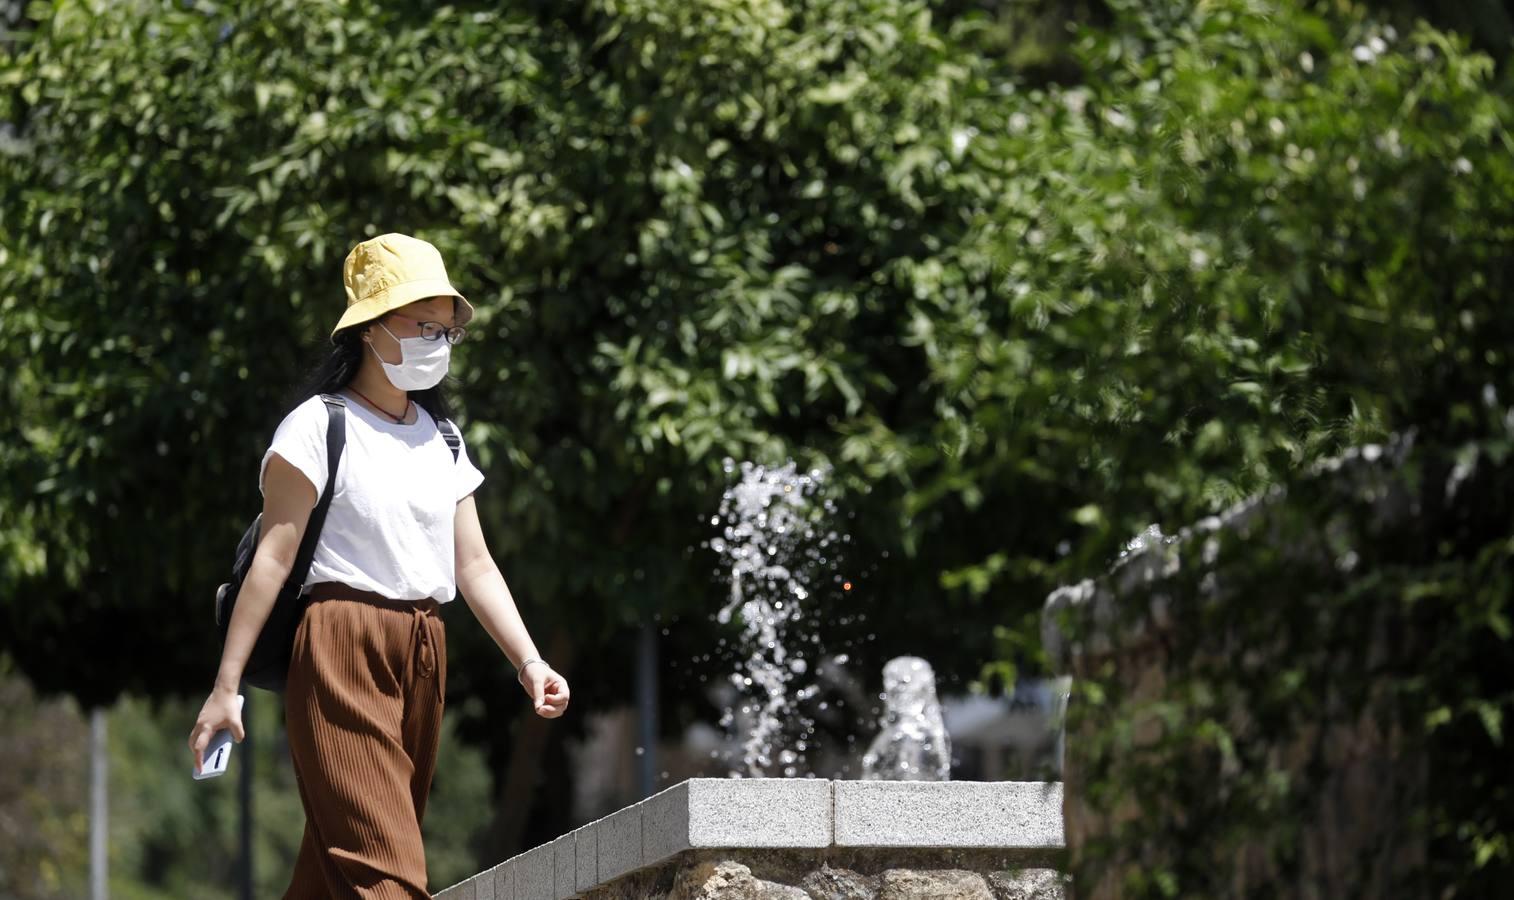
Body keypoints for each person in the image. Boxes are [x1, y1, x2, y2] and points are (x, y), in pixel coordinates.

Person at [188, 232, 570, 899]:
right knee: (386, 870)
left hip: (424, 649)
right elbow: (272, 563)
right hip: (341, 642)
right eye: (423, 325)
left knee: (337, 870)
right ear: (369, 327)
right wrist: (227, 687)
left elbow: (474, 564)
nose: (436, 343)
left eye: (446, 332)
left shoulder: (441, 438)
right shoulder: (317, 426)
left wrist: (529, 660)